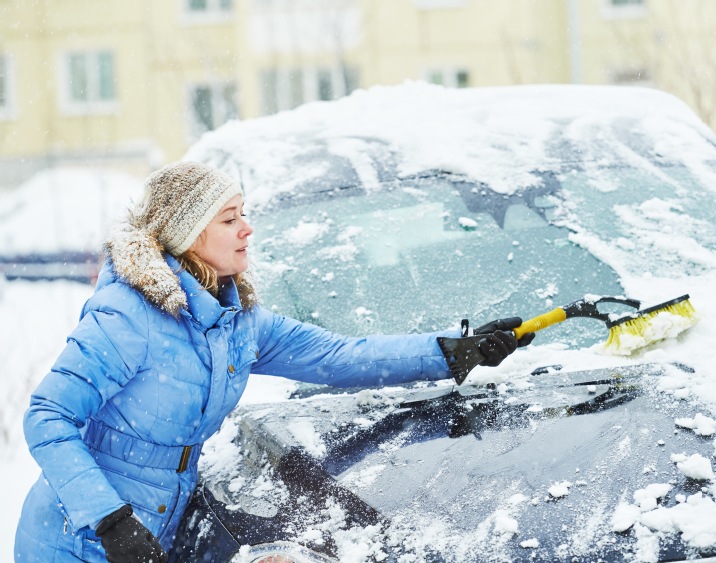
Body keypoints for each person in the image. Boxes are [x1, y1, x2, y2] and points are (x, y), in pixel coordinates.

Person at [14, 161, 532, 562]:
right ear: (191, 235)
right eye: (231, 219)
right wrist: (109, 519)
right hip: (73, 535)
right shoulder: (129, 316)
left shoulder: (237, 322)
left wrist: (450, 351)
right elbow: (47, 417)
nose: (248, 230)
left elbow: (338, 356)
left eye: (244, 215)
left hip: (154, 528)